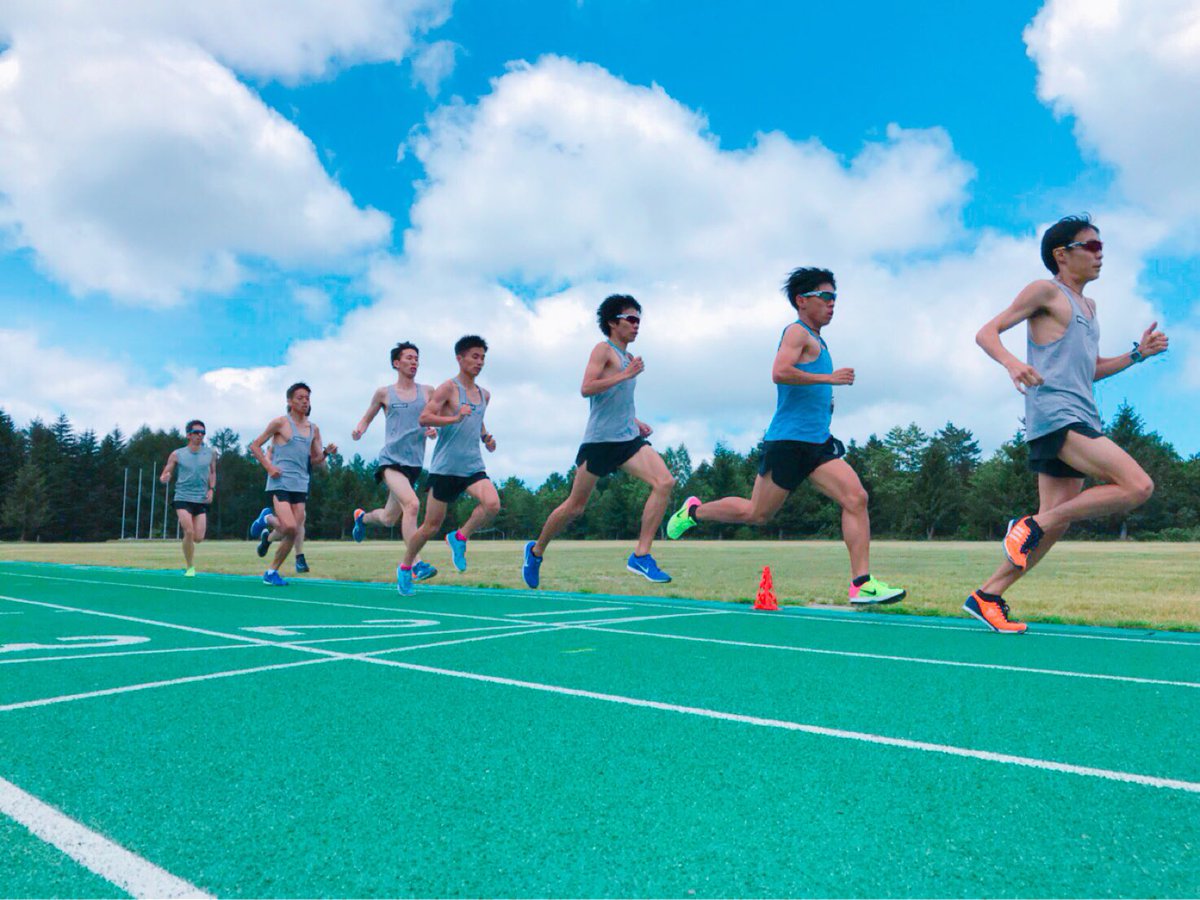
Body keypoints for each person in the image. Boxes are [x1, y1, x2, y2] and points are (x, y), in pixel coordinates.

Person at [964, 214, 1167, 632]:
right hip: (1057, 415)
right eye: (1090, 246)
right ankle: (1029, 525)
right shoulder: (1045, 291)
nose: (1100, 253)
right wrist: (1013, 362)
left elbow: (1089, 369)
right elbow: (987, 332)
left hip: (1081, 411)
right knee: (1137, 485)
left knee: (1056, 522)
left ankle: (988, 595)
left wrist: (1138, 355)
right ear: (1062, 254)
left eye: (1101, 246)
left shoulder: (1089, 308)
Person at [665, 267, 906, 606]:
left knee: (856, 498)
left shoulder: (820, 340)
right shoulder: (797, 332)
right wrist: (828, 380)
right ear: (802, 300)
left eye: (835, 297)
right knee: (757, 515)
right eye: (825, 297)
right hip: (788, 443)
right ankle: (693, 513)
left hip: (818, 444)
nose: (833, 304)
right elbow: (779, 372)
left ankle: (861, 585)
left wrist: (827, 401)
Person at [521, 294, 675, 589]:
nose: (636, 325)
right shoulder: (603, 350)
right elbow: (587, 388)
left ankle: (641, 555)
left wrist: (635, 422)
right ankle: (536, 550)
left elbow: (619, 403)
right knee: (575, 507)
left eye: (639, 320)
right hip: (600, 442)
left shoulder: (629, 359)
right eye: (631, 319)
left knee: (664, 482)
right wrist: (625, 374)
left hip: (627, 440)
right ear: (612, 322)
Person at [397, 335, 500, 595]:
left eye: (483, 358)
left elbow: (477, 422)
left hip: (472, 466)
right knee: (430, 526)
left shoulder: (484, 395)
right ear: (460, 358)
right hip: (444, 468)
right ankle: (406, 566)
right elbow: (424, 418)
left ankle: (460, 537)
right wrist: (455, 417)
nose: (480, 362)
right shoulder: (448, 388)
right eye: (474, 357)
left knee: (492, 504)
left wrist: (486, 437)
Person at [349, 341, 438, 582]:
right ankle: (415, 564)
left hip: (413, 464)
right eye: (409, 358)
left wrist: (432, 430)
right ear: (396, 363)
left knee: (389, 519)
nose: (414, 362)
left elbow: (433, 418)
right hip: (390, 461)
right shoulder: (384, 393)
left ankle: (361, 517)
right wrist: (359, 430)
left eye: (417, 358)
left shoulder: (428, 391)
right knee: (412, 505)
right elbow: (366, 418)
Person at [247, 382, 337, 586]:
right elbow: (254, 445)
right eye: (300, 398)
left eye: (307, 398)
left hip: (301, 484)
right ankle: (268, 518)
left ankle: (271, 572)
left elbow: (314, 461)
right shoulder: (280, 423)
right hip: (280, 482)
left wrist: (326, 454)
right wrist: (269, 467)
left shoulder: (313, 429)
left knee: (294, 530)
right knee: (289, 526)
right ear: (289, 401)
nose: (305, 401)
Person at [158, 419, 217, 577]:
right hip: (182, 497)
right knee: (189, 532)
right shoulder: (178, 454)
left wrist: (211, 489)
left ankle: (189, 543)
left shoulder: (210, 453)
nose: (200, 435)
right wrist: (165, 477)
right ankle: (190, 567)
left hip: (201, 498)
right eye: (197, 432)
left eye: (203, 433)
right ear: (188, 435)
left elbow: (212, 472)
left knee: (198, 538)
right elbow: (166, 471)